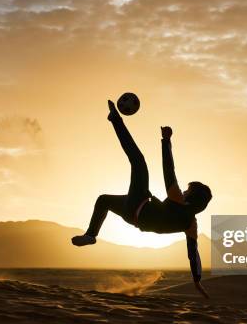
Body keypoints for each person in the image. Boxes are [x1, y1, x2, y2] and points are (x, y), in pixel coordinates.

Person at [72, 100, 212, 298]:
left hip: (138, 204)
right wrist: (197, 281)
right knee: (103, 199)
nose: (185, 191)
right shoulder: (192, 224)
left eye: (188, 190)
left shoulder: (178, 200)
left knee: (138, 161)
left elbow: (168, 170)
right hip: (134, 219)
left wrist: (166, 141)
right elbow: (193, 254)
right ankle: (91, 236)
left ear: (192, 196)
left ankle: (115, 119)